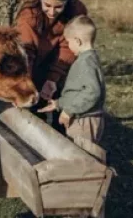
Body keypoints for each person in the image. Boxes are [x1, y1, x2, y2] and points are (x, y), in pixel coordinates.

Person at [15, 0, 88, 131]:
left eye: (58, 7)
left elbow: (69, 47)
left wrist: (53, 78)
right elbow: (26, 50)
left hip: (63, 60)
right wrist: (26, 83)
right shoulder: (29, 14)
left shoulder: (77, 11)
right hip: (34, 59)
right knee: (35, 101)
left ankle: (62, 131)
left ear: (67, 1)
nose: (52, 12)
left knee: (62, 93)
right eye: (47, 5)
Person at [38, 15, 106, 161]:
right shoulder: (87, 59)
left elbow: (92, 92)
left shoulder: (86, 63)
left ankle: (91, 181)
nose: (68, 46)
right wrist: (58, 104)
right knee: (79, 154)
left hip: (83, 120)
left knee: (83, 157)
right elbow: (78, 91)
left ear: (77, 41)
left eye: (68, 42)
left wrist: (68, 111)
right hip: (81, 116)